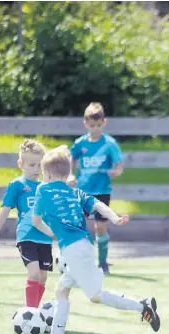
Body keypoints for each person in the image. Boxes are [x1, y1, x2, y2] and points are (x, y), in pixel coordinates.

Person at [31, 146, 160, 334]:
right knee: (61, 291)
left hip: (73, 250)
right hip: (84, 245)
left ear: (46, 173)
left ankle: (142, 305)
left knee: (96, 296)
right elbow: (98, 205)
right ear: (67, 174)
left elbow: (36, 221)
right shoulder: (76, 192)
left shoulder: (42, 189)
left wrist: (53, 234)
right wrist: (115, 218)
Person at [0, 140, 52, 307]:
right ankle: (30, 313)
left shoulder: (46, 186)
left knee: (43, 277)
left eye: (39, 165)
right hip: (26, 237)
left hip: (45, 238)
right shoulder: (17, 185)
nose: (37, 169)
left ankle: (34, 311)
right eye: (32, 165)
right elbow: (4, 211)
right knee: (34, 273)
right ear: (21, 164)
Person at [68, 102, 124, 275]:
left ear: (104, 123)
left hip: (102, 190)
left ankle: (102, 262)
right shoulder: (81, 143)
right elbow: (71, 157)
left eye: (98, 125)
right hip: (83, 191)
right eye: (92, 126)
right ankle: (77, 260)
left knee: (100, 226)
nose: (95, 129)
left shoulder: (109, 143)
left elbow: (119, 163)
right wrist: (70, 174)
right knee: (79, 224)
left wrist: (117, 171)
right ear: (85, 124)